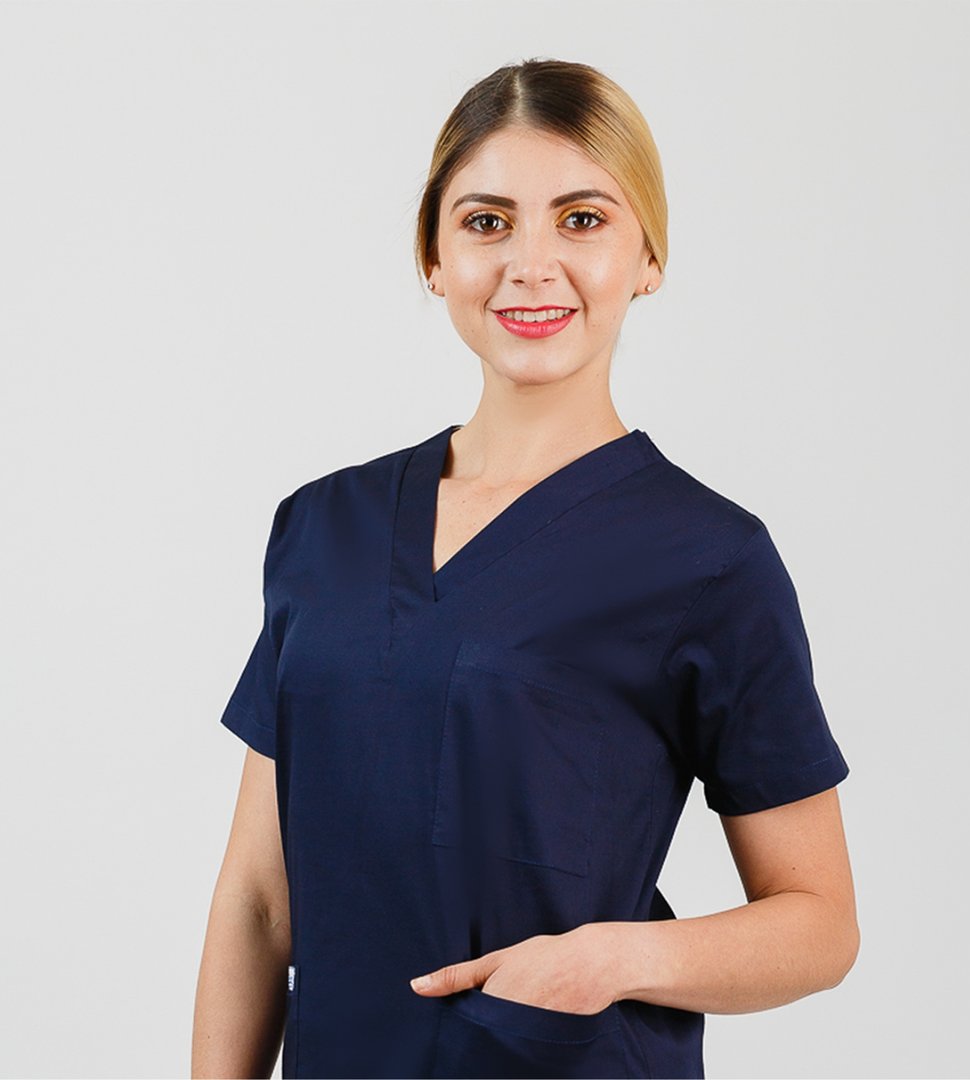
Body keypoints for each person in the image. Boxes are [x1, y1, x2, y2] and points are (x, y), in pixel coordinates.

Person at [191, 57, 859, 1080]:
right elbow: (258, 897)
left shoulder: (709, 560)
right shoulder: (324, 527)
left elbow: (820, 925)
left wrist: (611, 959)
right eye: (487, 221)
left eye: (583, 220)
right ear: (433, 255)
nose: (530, 264)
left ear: (649, 256)